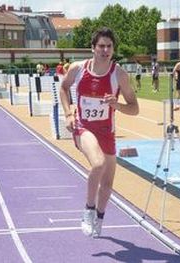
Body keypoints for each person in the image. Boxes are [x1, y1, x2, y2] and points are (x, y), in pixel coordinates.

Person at [59, 27, 139, 238]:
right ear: (93, 48)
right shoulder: (78, 69)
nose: (105, 50)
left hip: (107, 132)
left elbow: (134, 108)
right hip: (83, 127)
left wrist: (117, 105)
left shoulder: (119, 75)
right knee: (98, 163)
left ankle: (99, 218)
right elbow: (63, 88)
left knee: (108, 184)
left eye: (109, 46)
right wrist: (68, 114)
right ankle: (88, 209)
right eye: (101, 46)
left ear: (113, 49)